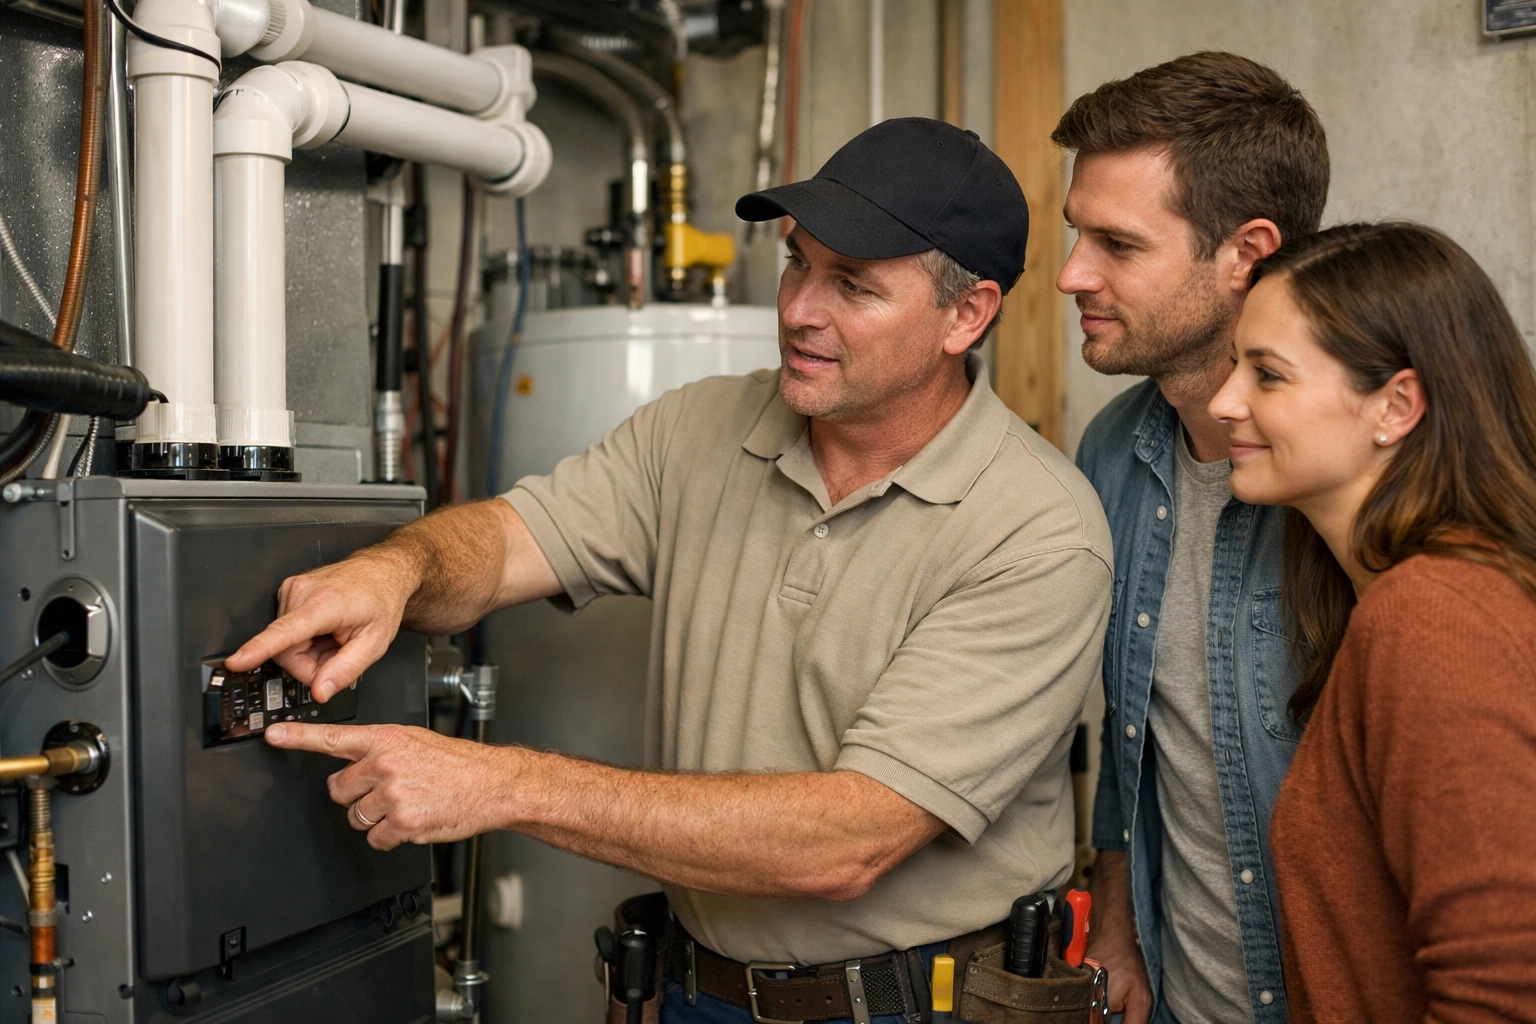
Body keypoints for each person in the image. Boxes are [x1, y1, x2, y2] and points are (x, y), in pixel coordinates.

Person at [227, 118, 1114, 1023]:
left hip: (913, 1005)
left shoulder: (1037, 532)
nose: (802, 309)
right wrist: (395, 571)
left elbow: (848, 842)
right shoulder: (697, 430)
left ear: (967, 315)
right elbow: (508, 541)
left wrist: (495, 784)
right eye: (799, 263)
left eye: (854, 286)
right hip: (696, 990)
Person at [1054, 52, 1330, 1024]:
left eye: (1117, 244)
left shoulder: (1364, 481)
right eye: (1075, 233)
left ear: (1247, 251)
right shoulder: (1112, 451)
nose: (1069, 274)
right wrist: (1119, 926)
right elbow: (1134, 745)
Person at [1209, 222, 1536, 1023]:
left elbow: (1503, 986)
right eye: (1233, 365)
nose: (1225, 402)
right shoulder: (1391, 595)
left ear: (1396, 405)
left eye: (1269, 375)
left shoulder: (1433, 617)